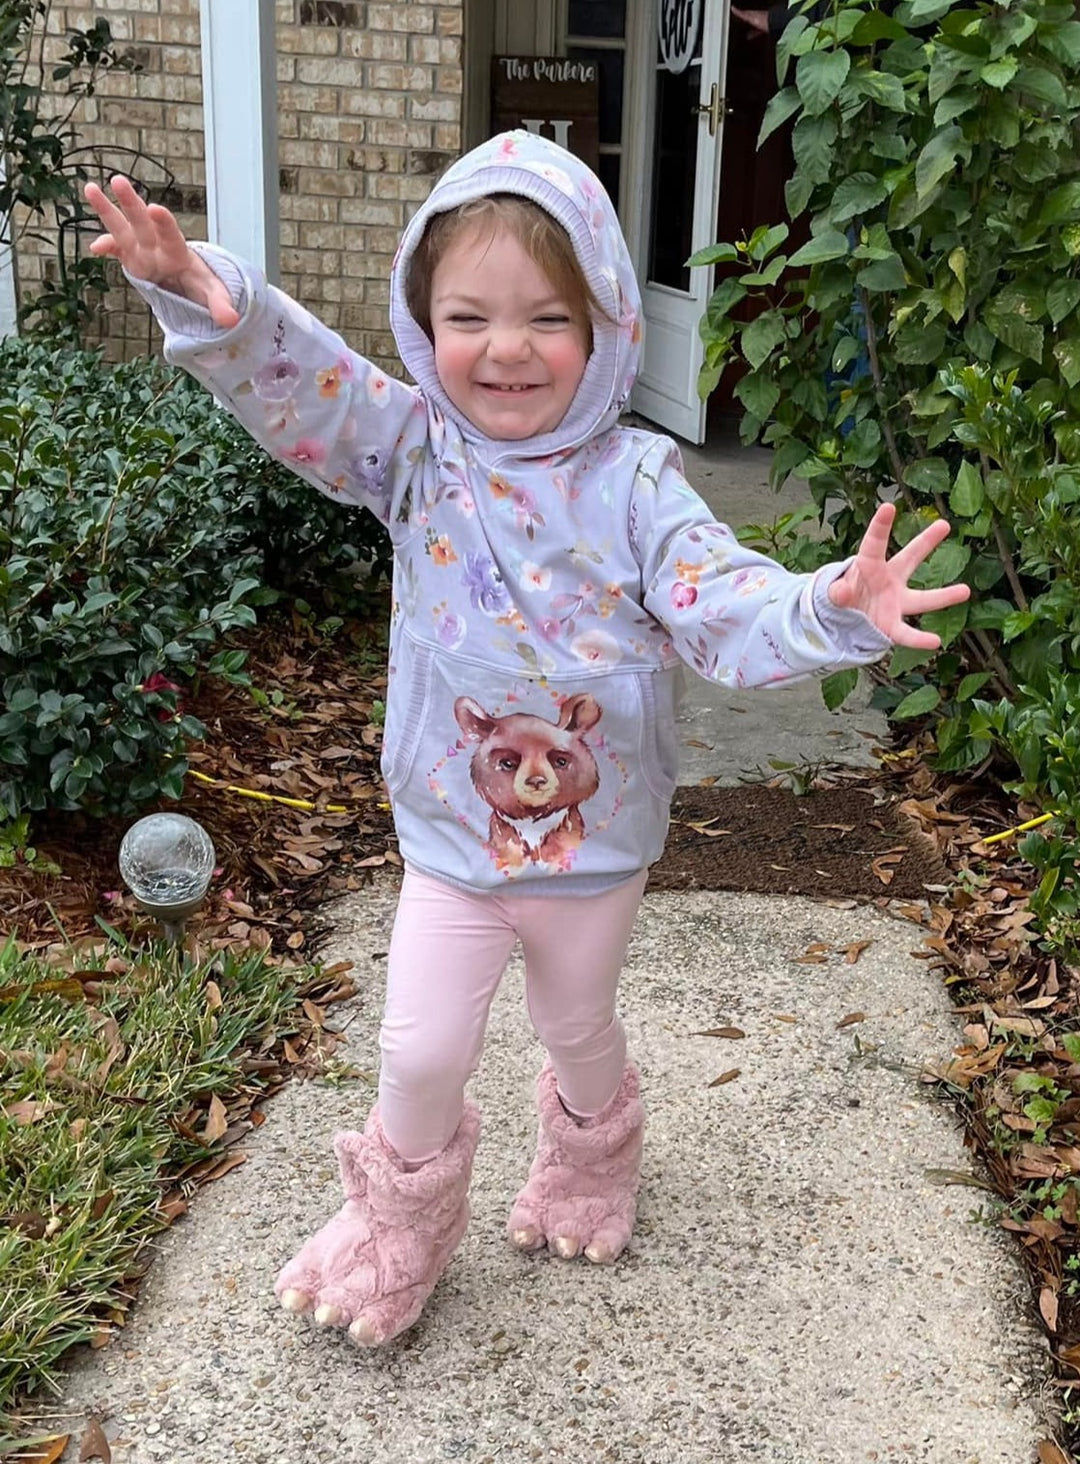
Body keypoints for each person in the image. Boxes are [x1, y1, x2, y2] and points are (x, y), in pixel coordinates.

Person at [84, 130, 969, 1350]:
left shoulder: (640, 484)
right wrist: (201, 290)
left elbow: (721, 600)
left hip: (593, 853)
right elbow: (310, 381)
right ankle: (399, 1225)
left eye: (548, 318)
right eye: (468, 317)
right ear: (423, 325)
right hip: (452, 842)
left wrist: (829, 606)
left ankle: (593, 1160)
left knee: (576, 1027)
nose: (506, 349)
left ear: (607, 327)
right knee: (417, 1048)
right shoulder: (411, 450)